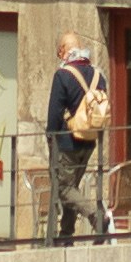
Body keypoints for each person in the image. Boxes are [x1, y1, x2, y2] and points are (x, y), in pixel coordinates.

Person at [46, 41, 106, 245]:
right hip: (89, 141)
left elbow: (54, 112)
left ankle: (96, 215)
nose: (59, 55)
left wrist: (50, 137)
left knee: (64, 188)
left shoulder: (63, 75)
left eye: (60, 50)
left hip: (67, 141)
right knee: (72, 187)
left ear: (67, 50)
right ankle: (66, 235)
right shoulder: (98, 75)